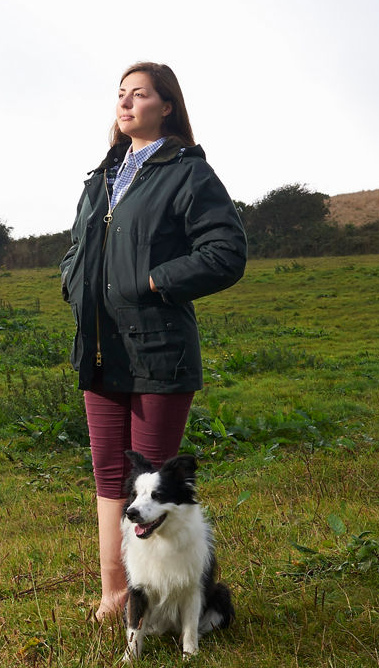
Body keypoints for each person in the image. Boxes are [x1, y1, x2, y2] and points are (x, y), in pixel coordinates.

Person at [59, 61, 246, 622]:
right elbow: (78, 249)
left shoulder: (188, 173)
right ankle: (115, 597)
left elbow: (225, 252)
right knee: (109, 479)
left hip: (161, 352)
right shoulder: (102, 178)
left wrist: (153, 281)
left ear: (166, 106)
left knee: (153, 487)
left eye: (139, 94)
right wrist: (74, 281)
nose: (125, 103)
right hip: (99, 350)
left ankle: (165, 605)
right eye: (120, 94)